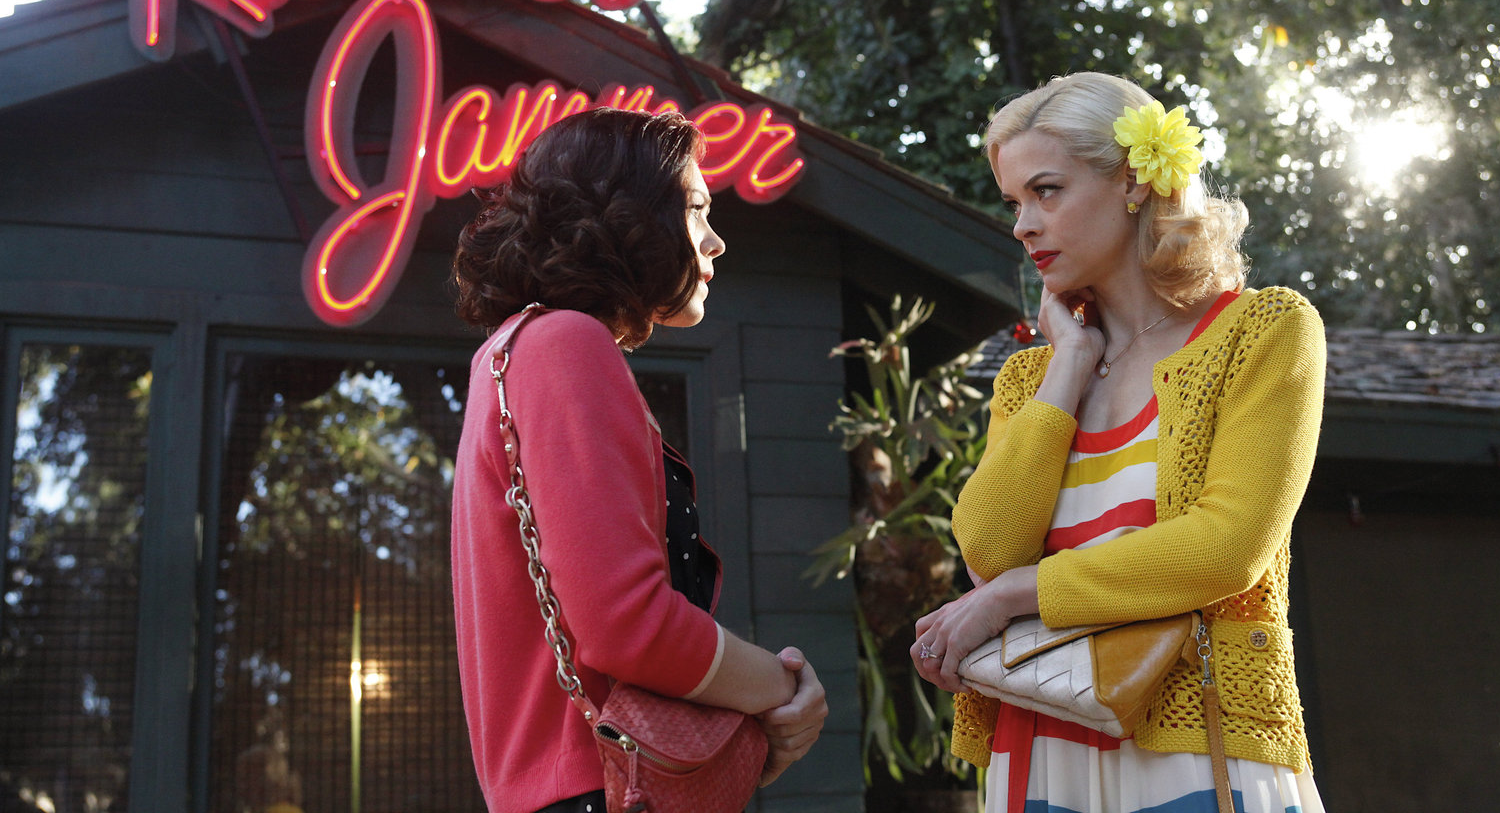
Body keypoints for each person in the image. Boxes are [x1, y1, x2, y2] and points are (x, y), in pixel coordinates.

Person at [910, 72, 1327, 813]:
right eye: (1014, 203)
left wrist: (1018, 595)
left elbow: (1226, 548)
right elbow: (990, 552)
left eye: (1046, 192)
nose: (1023, 225)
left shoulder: (1262, 331)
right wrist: (1069, 363)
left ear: (1133, 182)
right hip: (1038, 753)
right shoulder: (1032, 379)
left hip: (1198, 748)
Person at [450, 107, 828, 813]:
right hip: (599, 785)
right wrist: (785, 689)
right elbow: (630, 626)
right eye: (696, 209)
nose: (715, 241)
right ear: (626, 214)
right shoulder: (565, 344)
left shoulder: (512, 352)